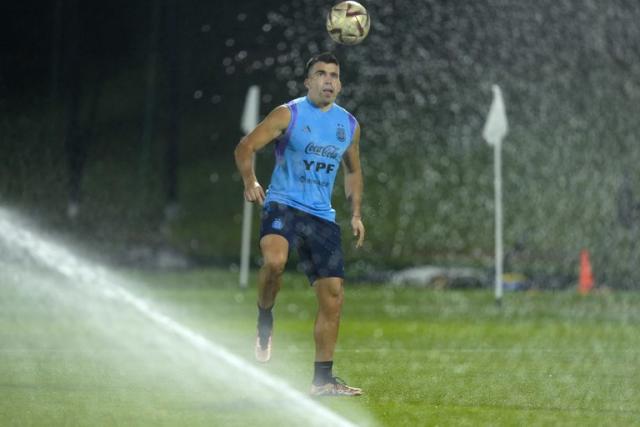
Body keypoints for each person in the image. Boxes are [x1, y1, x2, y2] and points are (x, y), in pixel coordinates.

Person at [234, 52, 365, 396]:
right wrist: (250, 181)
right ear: (307, 82)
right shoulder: (287, 114)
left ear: (340, 83)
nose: (328, 80)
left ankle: (322, 380)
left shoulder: (348, 125)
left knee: (334, 296)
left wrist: (355, 213)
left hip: (321, 216)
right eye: (320, 74)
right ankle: (265, 315)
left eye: (334, 75)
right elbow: (246, 147)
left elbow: (353, 170)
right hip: (283, 204)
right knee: (275, 263)